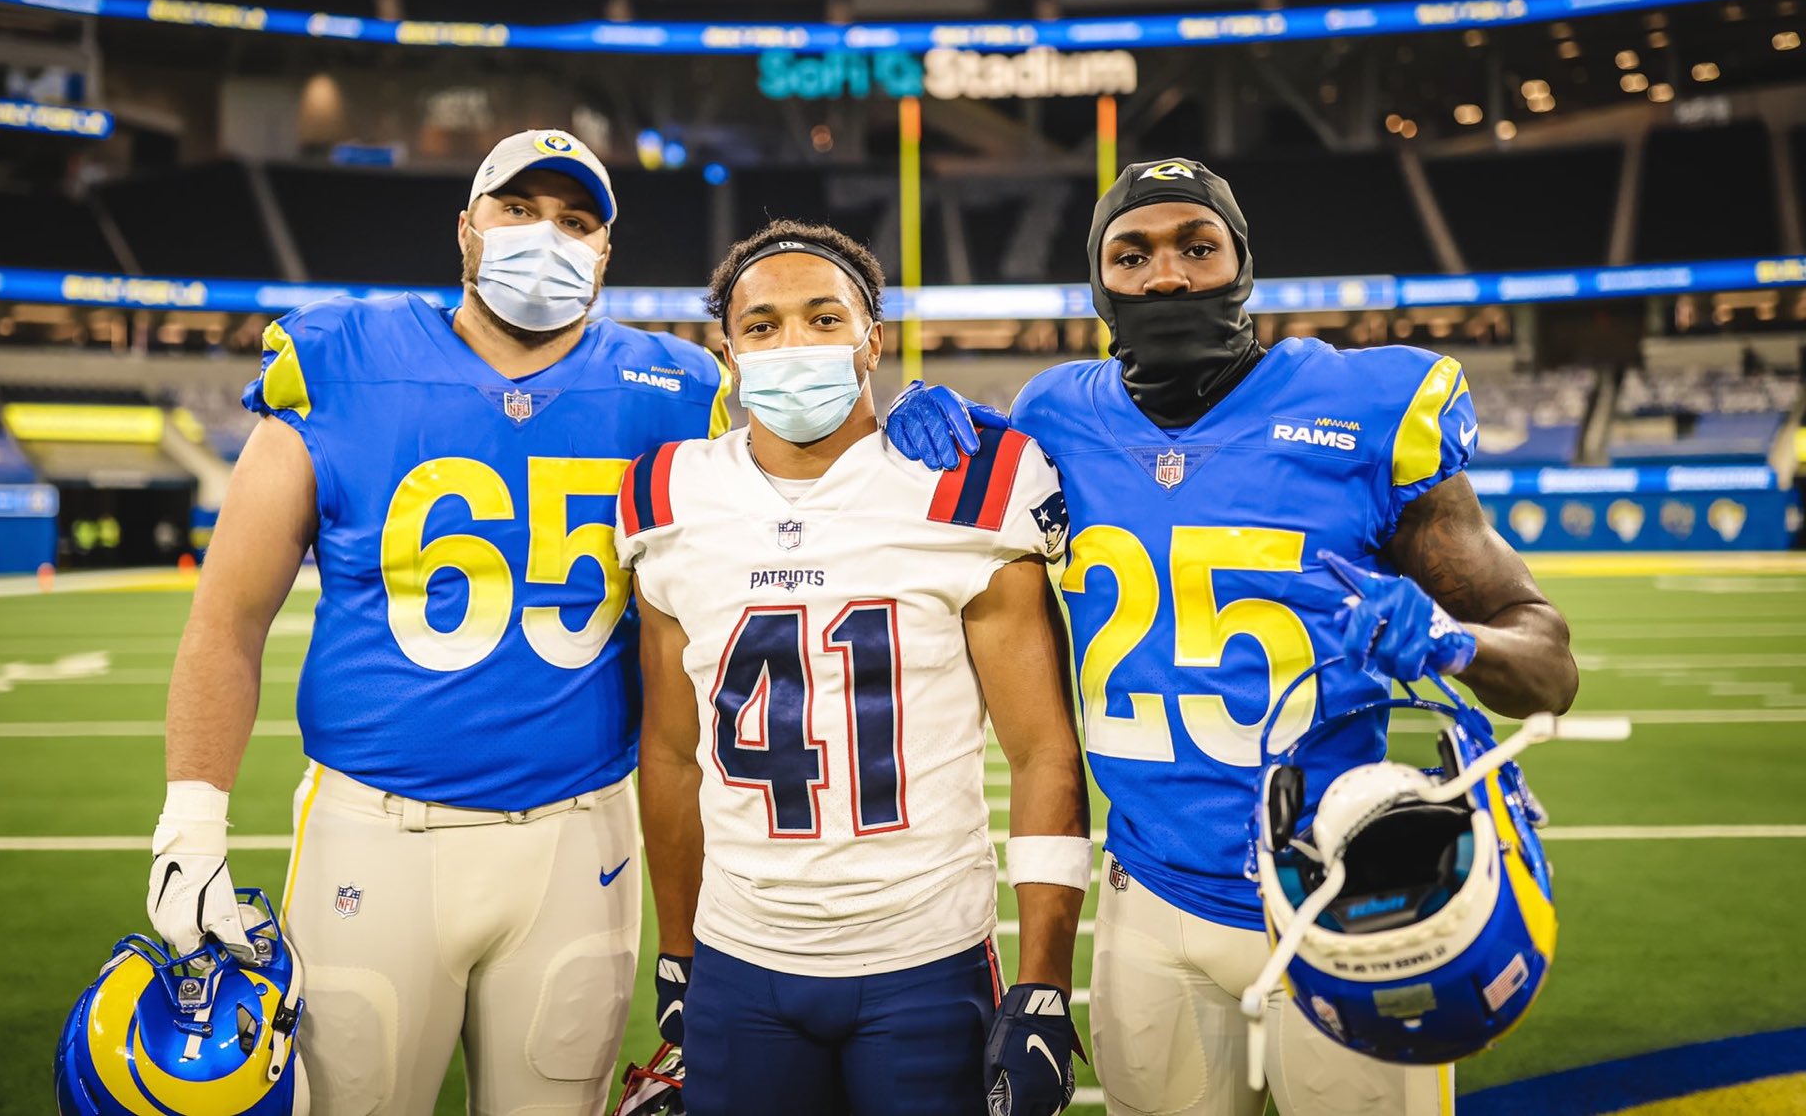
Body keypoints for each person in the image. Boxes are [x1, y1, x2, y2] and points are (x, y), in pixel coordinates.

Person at [895, 158, 1579, 1116]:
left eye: (1196, 246)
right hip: (1152, 902)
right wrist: (920, 432)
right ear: (1101, 285)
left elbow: (1548, 662)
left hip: (1343, 894)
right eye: (1132, 255)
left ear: (1242, 265)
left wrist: (1452, 643)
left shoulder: (1362, 408)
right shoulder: (1055, 417)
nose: (1167, 276)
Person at [145, 128, 735, 1116]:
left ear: (604, 253)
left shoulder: (675, 389)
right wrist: (190, 821)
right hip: (375, 834)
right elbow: (227, 618)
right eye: (517, 209)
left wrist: (938, 429)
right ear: (466, 228)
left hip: (579, 839)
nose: (546, 234)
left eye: (576, 220)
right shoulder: (341, 360)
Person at [618, 221, 1092, 1116]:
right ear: (726, 347)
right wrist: (677, 948)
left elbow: (1042, 751)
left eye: (823, 317)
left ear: (872, 338)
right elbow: (673, 751)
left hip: (926, 952)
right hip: (739, 952)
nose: (792, 343)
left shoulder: (968, 481)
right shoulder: (666, 495)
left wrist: (1041, 982)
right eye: (761, 325)